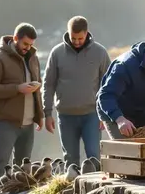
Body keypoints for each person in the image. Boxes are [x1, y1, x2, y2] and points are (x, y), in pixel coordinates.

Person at [0, 23, 44, 191]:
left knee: (23, 166)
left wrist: (40, 116)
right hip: (5, 121)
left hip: (28, 122)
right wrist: (17, 88)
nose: (28, 48)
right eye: (25, 44)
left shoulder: (33, 57)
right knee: (0, 163)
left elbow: (37, 90)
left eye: (31, 45)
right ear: (15, 38)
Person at [43, 16, 110, 167]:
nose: (77, 41)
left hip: (92, 115)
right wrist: (47, 113)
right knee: (70, 160)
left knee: (94, 157)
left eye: (80, 38)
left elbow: (107, 85)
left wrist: (105, 114)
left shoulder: (100, 53)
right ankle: (74, 188)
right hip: (66, 116)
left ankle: (96, 188)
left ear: (87, 33)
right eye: (73, 38)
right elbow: (48, 84)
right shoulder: (57, 53)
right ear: (68, 33)